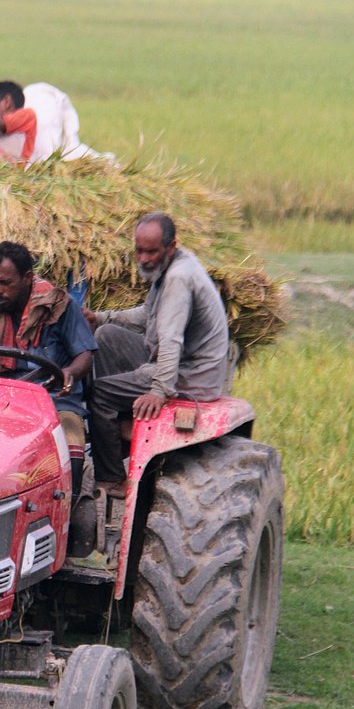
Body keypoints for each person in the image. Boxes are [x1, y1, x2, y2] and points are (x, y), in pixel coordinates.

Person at [83, 212, 231, 497]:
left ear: (171, 246)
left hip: (190, 375)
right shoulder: (171, 266)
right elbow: (146, 315)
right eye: (139, 251)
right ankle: (120, 429)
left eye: (152, 251)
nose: (145, 258)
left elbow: (170, 340)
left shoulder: (177, 278)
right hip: (177, 360)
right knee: (105, 337)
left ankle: (112, 476)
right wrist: (101, 318)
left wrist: (158, 390)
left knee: (99, 393)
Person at [0, 241, 96, 466]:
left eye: (5, 283)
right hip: (1, 402)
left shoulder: (60, 307)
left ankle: (72, 498)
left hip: (54, 402)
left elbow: (85, 355)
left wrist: (70, 372)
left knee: (69, 443)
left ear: (27, 278)